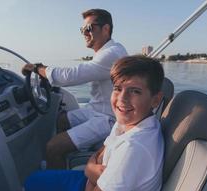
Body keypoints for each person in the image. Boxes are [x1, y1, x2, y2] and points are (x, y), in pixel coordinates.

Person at [23, 55, 165, 191]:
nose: (122, 99)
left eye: (135, 91)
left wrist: (90, 172)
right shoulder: (129, 121)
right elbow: (102, 150)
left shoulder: (133, 148)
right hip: (91, 183)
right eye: (117, 88)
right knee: (31, 182)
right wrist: (90, 169)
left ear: (156, 100)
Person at [22, 8, 128, 169]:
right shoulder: (108, 51)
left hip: (108, 119)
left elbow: (71, 76)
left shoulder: (112, 54)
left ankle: (57, 184)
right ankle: (65, 160)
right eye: (82, 29)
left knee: (53, 147)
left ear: (106, 29)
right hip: (97, 110)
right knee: (61, 119)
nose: (84, 33)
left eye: (89, 28)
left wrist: (38, 68)